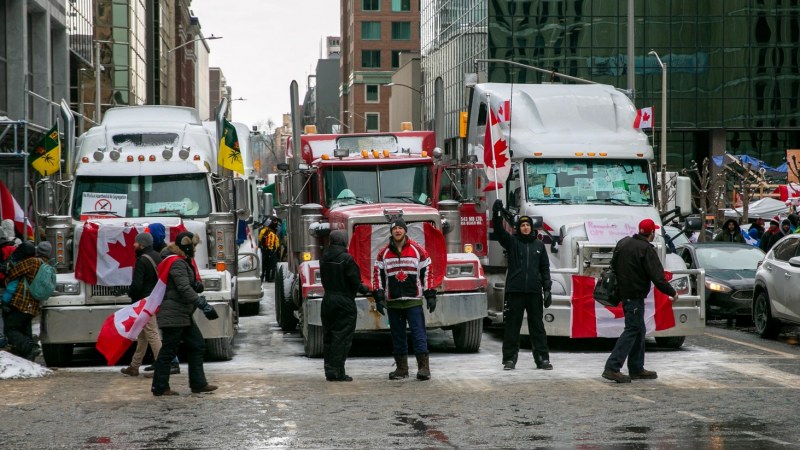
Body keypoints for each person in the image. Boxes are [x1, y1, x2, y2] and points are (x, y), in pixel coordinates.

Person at [602, 219, 679, 383]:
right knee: (633, 329)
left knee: (639, 330)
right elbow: (658, 277)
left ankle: (636, 368)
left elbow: (612, 266)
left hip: (624, 293)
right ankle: (612, 367)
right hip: (635, 295)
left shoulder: (624, 243)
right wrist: (672, 292)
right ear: (651, 233)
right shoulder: (646, 249)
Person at [151, 232, 219, 396]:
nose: (195, 249)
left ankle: (198, 383)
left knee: (197, 345)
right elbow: (183, 289)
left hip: (182, 314)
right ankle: (160, 387)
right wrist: (203, 304)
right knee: (169, 350)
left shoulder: (181, 261)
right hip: (174, 314)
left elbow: (183, 285)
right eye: (194, 246)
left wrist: (195, 285)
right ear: (188, 246)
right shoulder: (177, 263)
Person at [492, 200, 553, 371]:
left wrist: (547, 289)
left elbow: (545, 268)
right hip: (515, 292)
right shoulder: (512, 243)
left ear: (532, 228)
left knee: (537, 327)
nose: (525, 227)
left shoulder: (539, 246)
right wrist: (496, 214)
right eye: (522, 225)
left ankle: (542, 358)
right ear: (518, 228)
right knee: (512, 327)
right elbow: (498, 232)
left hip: (534, 292)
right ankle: (509, 359)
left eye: (528, 225)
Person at [373, 218, 436, 381]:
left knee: (418, 334)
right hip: (393, 302)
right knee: (397, 335)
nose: (397, 231)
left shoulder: (418, 250)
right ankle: (401, 368)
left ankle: (423, 368)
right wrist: (379, 297)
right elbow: (377, 276)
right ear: (391, 232)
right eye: (394, 229)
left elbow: (427, 272)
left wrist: (430, 294)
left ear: (405, 230)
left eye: (400, 228)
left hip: (413, 301)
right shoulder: (383, 253)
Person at [320, 230, 369, 382]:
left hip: (327, 299)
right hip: (344, 301)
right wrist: (367, 289)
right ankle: (338, 371)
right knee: (342, 337)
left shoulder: (324, 257)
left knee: (329, 335)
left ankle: (329, 370)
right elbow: (355, 282)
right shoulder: (347, 259)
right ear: (343, 241)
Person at [120, 232, 168, 377]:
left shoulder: (142, 260)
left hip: (144, 302)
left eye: (136, 242)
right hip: (154, 299)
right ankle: (134, 366)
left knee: (152, 333)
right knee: (142, 336)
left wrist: (130, 294)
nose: (134, 245)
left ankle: (161, 367)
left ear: (142, 244)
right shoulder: (157, 256)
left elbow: (137, 284)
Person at [3, 241, 51, 361]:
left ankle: (30, 348)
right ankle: (28, 357)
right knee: (25, 329)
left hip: (21, 301)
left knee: (10, 328)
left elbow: (13, 272)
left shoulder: (32, 262)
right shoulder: (47, 265)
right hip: (33, 304)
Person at [259, 217, 280, 282]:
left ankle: (263, 277)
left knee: (264, 264)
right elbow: (277, 243)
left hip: (265, 250)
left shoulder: (263, 231)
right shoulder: (273, 232)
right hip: (271, 250)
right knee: (272, 265)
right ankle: (270, 278)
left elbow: (259, 239)